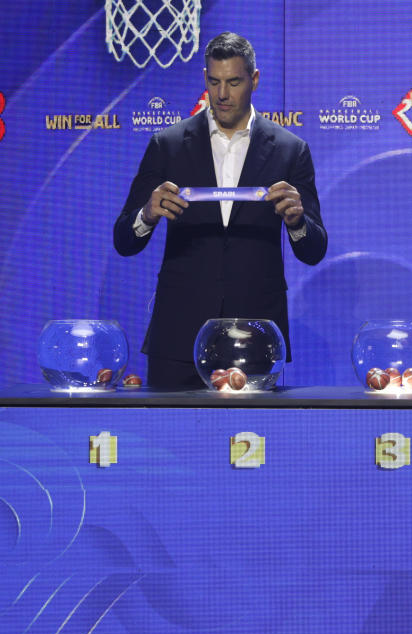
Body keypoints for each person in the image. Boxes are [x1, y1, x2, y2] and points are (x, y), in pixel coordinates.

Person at [114, 32, 327, 389]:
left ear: (254, 80)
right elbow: (124, 240)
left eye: (233, 82)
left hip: (255, 340)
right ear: (205, 79)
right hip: (178, 336)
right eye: (214, 82)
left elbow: (314, 250)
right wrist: (146, 216)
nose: (222, 94)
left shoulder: (291, 150)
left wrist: (297, 222)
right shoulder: (166, 145)